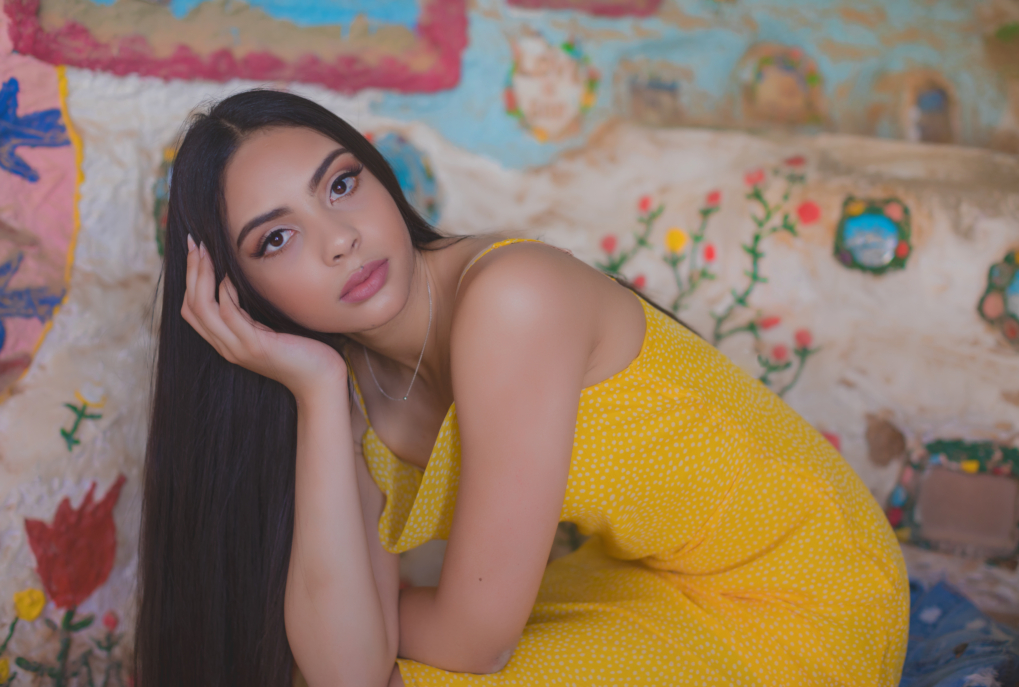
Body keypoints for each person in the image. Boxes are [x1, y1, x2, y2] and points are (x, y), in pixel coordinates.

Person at [137, 89, 909, 687]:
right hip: (648, 584)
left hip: (807, 596)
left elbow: (471, 642)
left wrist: (371, 622)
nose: (340, 239)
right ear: (240, 294)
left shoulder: (514, 297)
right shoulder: (352, 387)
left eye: (340, 185)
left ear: (379, 175)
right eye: (278, 238)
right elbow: (350, 671)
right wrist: (314, 390)